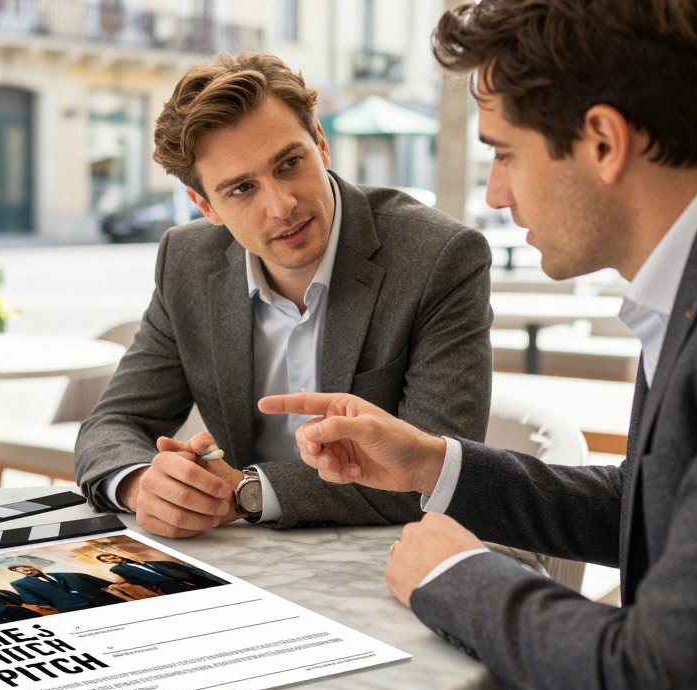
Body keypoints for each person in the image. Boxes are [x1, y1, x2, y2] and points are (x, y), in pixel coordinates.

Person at [259, 1, 697, 690]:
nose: (495, 192)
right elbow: (660, 505)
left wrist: (457, 573)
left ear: (604, 142)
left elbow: (670, 687)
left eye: (504, 151)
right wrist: (430, 463)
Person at [75, 52, 493, 538]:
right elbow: (112, 424)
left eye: (290, 163)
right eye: (241, 189)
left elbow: (436, 468)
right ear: (205, 205)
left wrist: (247, 492)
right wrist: (144, 483)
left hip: (389, 553)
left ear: (321, 145)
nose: (281, 206)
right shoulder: (187, 261)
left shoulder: (439, 257)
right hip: (238, 559)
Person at [7, 564, 124, 612]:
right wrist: (46, 605)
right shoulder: (20, 584)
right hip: (73, 608)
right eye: (20, 570)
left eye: (26, 567)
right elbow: (31, 599)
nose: (26, 570)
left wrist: (109, 584)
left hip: (105, 601)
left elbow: (88, 578)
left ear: (35, 567)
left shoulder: (63, 574)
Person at [95, 553, 224, 594]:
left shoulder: (147, 561)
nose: (110, 559)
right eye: (106, 560)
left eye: (111, 556)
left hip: (194, 579)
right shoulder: (118, 569)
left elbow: (179, 567)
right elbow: (134, 581)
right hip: (171, 587)